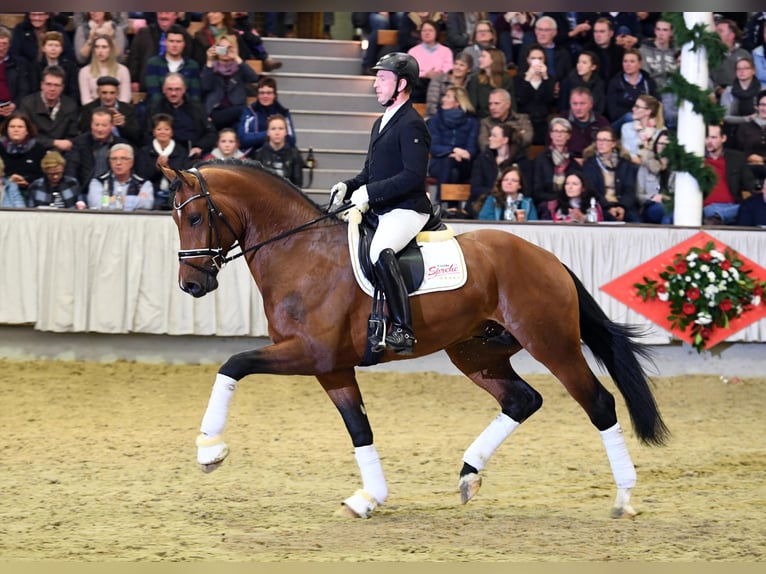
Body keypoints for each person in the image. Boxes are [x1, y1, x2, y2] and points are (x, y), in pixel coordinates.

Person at [328, 52, 431, 355]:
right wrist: (350, 185)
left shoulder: (412, 124)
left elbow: (413, 177)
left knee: (378, 252)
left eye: (382, 78)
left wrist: (370, 193)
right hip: (383, 207)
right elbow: (370, 171)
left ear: (401, 84)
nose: (375, 84)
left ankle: (402, 328)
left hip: (407, 209)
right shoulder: (380, 122)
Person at [144, 73, 218, 160]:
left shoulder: (198, 108)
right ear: (163, 90)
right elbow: (147, 134)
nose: (173, 93)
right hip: (163, 154)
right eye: (169, 89)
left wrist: (199, 147)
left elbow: (211, 133)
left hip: (192, 154)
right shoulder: (154, 109)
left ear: (184, 90)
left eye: (177, 89)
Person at [425, 86, 478, 201]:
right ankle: (450, 207)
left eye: (448, 97)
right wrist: (453, 151)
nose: (443, 99)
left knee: (453, 171)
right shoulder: (435, 120)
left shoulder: (472, 122)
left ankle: (439, 203)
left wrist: (460, 154)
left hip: (462, 164)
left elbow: (471, 150)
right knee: (449, 164)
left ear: (458, 102)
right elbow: (434, 147)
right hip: (438, 162)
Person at [201, 34, 260, 131]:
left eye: (229, 48)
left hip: (236, 112)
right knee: (244, 110)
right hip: (217, 112)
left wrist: (237, 58)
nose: (225, 51)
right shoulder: (211, 68)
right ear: (216, 49)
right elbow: (206, 86)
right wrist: (209, 61)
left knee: (240, 125)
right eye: (222, 48)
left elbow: (254, 78)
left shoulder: (239, 68)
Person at [135, 113, 193, 210]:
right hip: (152, 193)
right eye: (159, 129)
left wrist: (168, 170)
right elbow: (141, 176)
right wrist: (157, 168)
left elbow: (185, 177)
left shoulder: (181, 151)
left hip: (175, 194)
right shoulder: (145, 151)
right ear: (153, 132)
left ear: (172, 132)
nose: (163, 132)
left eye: (166, 129)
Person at [582, 126, 640, 222]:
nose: (601, 143)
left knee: (635, 220)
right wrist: (608, 207)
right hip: (600, 206)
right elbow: (592, 191)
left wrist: (622, 207)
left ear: (613, 144)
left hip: (622, 205)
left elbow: (629, 189)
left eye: (605, 140)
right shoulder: (589, 164)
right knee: (609, 218)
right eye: (598, 140)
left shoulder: (624, 164)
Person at [701, 123, 755, 225]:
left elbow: (750, 184)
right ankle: (717, 217)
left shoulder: (737, 158)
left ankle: (718, 217)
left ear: (723, 138)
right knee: (712, 212)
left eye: (713, 137)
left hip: (732, 206)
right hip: (708, 207)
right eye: (706, 137)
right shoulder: (698, 159)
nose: (709, 141)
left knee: (747, 208)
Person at [64, 107, 128, 192]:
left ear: (112, 125)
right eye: (96, 125)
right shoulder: (79, 143)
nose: (99, 129)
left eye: (104, 125)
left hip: (113, 190)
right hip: (85, 191)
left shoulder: (121, 145)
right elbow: (71, 170)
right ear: (91, 124)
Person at [127, 12, 193, 94]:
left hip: (177, 86)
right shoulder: (143, 33)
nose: (163, 16)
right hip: (148, 83)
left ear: (175, 15)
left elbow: (189, 59)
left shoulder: (185, 36)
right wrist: (134, 80)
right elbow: (134, 58)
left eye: (167, 13)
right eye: (160, 12)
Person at [18, 65, 79, 153]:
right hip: (33, 151)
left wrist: (57, 150)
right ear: (42, 85)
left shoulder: (70, 105)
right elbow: (25, 135)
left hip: (62, 153)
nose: (52, 89)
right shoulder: (28, 104)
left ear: (62, 88)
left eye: (57, 85)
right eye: (48, 84)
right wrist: (54, 143)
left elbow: (73, 136)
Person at [468, 122, 520, 218]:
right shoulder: (483, 159)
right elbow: (475, 188)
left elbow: (525, 188)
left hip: (513, 204)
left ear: (505, 140)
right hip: (484, 204)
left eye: (494, 136)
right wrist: (498, 193)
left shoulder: (520, 161)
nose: (490, 138)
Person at [516, 15, 573, 98]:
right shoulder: (527, 51)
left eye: (546, 30)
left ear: (554, 32)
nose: (542, 33)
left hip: (558, 92)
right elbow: (522, 74)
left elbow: (568, 75)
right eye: (539, 29)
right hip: (533, 90)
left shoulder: (563, 53)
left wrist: (559, 85)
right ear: (535, 31)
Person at [237, 76, 295, 156]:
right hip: (253, 156)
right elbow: (242, 139)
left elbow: (291, 140)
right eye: (262, 93)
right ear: (257, 95)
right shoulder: (249, 111)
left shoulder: (283, 112)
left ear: (274, 95)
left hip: (278, 154)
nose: (265, 96)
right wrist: (268, 133)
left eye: (269, 93)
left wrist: (258, 137)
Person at [531, 117, 577, 219]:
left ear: (568, 135)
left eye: (562, 131)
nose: (559, 135)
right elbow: (537, 191)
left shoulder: (573, 161)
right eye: (555, 131)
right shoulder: (541, 159)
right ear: (551, 135)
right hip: (546, 205)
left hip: (569, 204)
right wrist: (555, 200)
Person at [144, 24, 202, 104]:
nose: (174, 45)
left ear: (184, 44)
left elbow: (195, 95)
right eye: (171, 41)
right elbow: (154, 93)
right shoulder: (153, 63)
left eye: (178, 42)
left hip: (185, 110)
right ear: (165, 42)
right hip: (159, 110)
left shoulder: (192, 65)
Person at [78, 76, 142, 147]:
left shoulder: (128, 109)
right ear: (98, 92)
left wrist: (123, 125)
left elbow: (137, 136)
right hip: (95, 146)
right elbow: (84, 131)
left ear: (117, 93)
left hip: (123, 147)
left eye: (112, 93)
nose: (108, 97)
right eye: (104, 93)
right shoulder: (89, 109)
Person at [87, 143, 154, 211]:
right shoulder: (98, 182)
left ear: (131, 162)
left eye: (123, 158)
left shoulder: (143, 183)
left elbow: (147, 204)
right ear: (110, 162)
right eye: (114, 159)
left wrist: (115, 199)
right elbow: (96, 205)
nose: (118, 163)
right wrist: (135, 200)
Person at [513, 43, 557, 145]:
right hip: (524, 121)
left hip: (543, 120)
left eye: (540, 58)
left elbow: (549, 100)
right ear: (528, 60)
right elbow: (521, 99)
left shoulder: (549, 79)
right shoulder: (518, 79)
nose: (537, 61)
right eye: (533, 58)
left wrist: (545, 77)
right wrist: (528, 78)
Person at [605, 49, 660, 130]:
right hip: (621, 122)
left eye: (632, 61)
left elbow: (656, 103)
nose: (628, 64)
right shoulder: (615, 82)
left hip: (645, 119)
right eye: (625, 61)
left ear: (639, 64)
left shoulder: (648, 82)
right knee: (629, 117)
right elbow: (613, 112)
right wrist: (637, 115)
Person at [554, 86, 610, 164]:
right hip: (565, 162)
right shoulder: (560, 121)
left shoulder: (602, 122)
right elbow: (552, 147)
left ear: (591, 104)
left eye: (582, 103)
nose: (578, 108)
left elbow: (608, 147)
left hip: (594, 164)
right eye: (575, 104)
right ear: (570, 104)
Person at [0, 111, 46, 198]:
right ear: (7, 129)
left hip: (32, 191)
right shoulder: (0, 147)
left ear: (27, 130)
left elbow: (42, 175)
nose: (16, 130)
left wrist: (26, 181)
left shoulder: (37, 148)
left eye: (20, 127)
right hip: (4, 191)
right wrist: (8, 181)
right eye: (12, 126)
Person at [406, 19, 453, 103]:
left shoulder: (446, 51)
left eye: (430, 30)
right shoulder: (413, 51)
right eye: (424, 30)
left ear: (436, 32)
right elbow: (410, 71)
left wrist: (436, 75)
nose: (427, 33)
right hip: (419, 84)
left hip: (439, 83)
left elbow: (448, 69)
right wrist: (426, 74)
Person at [77, 34, 132, 106]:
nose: (100, 51)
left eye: (104, 47)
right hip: (93, 112)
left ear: (111, 49)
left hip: (118, 112)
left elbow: (125, 98)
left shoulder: (123, 70)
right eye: (97, 47)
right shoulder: (84, 72)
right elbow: (85, 100)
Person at [253, 114, 305, 187]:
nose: (277, 133)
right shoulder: (259, 155)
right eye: (273, 129)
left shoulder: (294, 154)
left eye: (280, 128)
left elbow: (298, 184)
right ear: (268, 132)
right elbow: (256, 182)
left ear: (286, 132)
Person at [721, 56, 764, 142]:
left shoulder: (763, 90)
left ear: (753, 71)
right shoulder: (729, 91)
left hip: (759, 130)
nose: (742, 71)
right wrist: (747, 119)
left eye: (745, 68)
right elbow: (725, 117)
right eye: (738, 69)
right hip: (733, 131)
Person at [29, 31, 80, 105]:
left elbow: (73, 91)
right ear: (43, 48)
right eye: (50, 45)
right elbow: (34, 89)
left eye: (57, 45)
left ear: (61, 49)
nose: (53, 49)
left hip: (64, 104)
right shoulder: (35, 66)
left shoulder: (70, 67)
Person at [477, 88, 532, 155]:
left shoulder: (522, 119)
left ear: (508, 104)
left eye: (496, 103)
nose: (492, 107)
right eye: (490, 104)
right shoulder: (485, 122)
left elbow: (527, 140)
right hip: (493, 161)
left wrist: (498, 142)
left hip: (518, 159)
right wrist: (516, 135)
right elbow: (484, 146)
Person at [635, 128, 673, 224]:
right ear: (655, 145)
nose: (663, 147)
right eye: (660, 144)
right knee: (667, 210)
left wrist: (667, 198)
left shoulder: (677, 169)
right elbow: (638, 195)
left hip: (671, 205)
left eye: (666, 144)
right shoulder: (645, 166)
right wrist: (652, 197)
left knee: (670, 213)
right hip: (650, 207)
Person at [465, 47, 513, 119]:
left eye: (483, 56)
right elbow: (473, 106)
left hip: (503, 120)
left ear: (494, 59)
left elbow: (511, 105)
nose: (479, 59)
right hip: (482, 120)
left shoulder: (506, 79)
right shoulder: (475, 79)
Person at [10, 12, 75, 64]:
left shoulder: (57, 29)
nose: (37, 18)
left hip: (54, 68)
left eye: (40, 15)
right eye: (33, 14)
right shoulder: (20, 29)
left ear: (47, 15)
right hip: (27, 70)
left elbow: (68, 52)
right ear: (29, 16)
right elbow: (14, 53)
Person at [712, 19, 752, 101]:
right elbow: (707, 77)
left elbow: (752, 76)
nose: (716, 34)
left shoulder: (744, 54)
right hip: (718, 95)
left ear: (731, 35)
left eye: (720, 31)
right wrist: (717, 89)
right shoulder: (710, 54)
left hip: (742, 93)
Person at [424, 51, 473, 118]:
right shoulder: (438, 79)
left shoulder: (470, 83)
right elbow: (431, 105)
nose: (457, 67)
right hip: (436, 117)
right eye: (456, 64)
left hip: (459, 119)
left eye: (462, 65)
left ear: (469, 69)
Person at [557, 50, 606, 116]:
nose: (580, 65)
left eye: (584, 63)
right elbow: (563, 107)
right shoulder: (568, 82)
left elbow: (600, 107)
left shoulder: (599, 83)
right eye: (578, 62)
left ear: (593, 67)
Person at [621, 94, 664, 165]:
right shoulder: (627, 128)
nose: (633, 109)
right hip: (631, 167)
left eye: (637, 107)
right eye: (634, 106)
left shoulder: (660, 131)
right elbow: (628, 152)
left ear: (648, 111)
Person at [0, 25, 30, 120]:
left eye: (4, 44)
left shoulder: (19, 64)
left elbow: (24, 89)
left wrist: (14, 105)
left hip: (13, 108)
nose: (1, 48)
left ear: (9, 45)